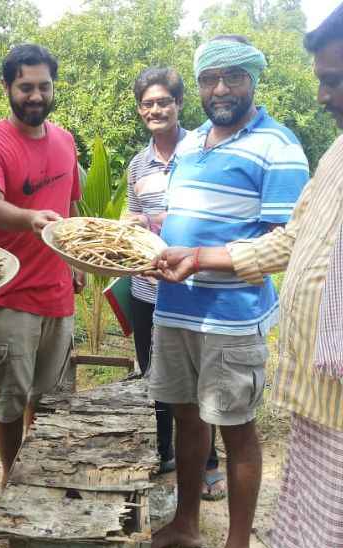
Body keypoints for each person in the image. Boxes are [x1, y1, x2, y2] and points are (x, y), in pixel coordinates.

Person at [150, 8, 343, 548]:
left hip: (232, 318)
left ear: (253, 82)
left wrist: (205, 257)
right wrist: (150, 233)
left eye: (234, 77)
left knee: (236, 431)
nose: (222, 89)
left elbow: (283, 238)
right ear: (198, 86)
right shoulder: (187, 145)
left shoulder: (278, 145)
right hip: (177, 308)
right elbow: (194, 220)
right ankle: (185, 521)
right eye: (211, 79)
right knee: (187, 418)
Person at [0, 43, 84, 487]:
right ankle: (11, 478)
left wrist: (77, 260)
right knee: (11, 398)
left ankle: (39, 475)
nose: (35, 96)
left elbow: (70, 203)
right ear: (7, 88)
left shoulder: (65, 140)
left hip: (58, 293)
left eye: (43, 86)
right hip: (11, 293)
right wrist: (31, 219)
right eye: (25, 87)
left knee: (50, 397)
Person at [123, 67, 226, 499]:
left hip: (195, 287)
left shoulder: (200, 149)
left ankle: (208, 461)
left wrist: (166, 222)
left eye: (164, 101)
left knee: (202, 378)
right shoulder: (137, 165)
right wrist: (132, 224)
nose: (156, 110)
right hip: (150, 289)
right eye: (148, 103)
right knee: (156, 376)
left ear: (179, 103)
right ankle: (164, 453)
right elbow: (132, 215)